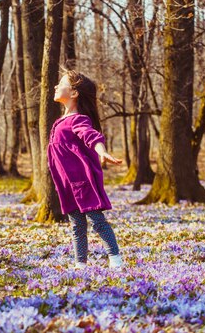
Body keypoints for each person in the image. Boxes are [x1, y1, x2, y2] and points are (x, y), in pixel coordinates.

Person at [47, 70, 123, 269]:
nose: (55, 87)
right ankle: (80, 265)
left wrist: (102, 152)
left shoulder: (78, 119)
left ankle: (115, 260)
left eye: (61, 83)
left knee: (97, 221)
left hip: (82, 182)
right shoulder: (60, 121)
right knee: (76, 225)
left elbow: (91, 135)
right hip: (67, 184)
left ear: (74, 93)